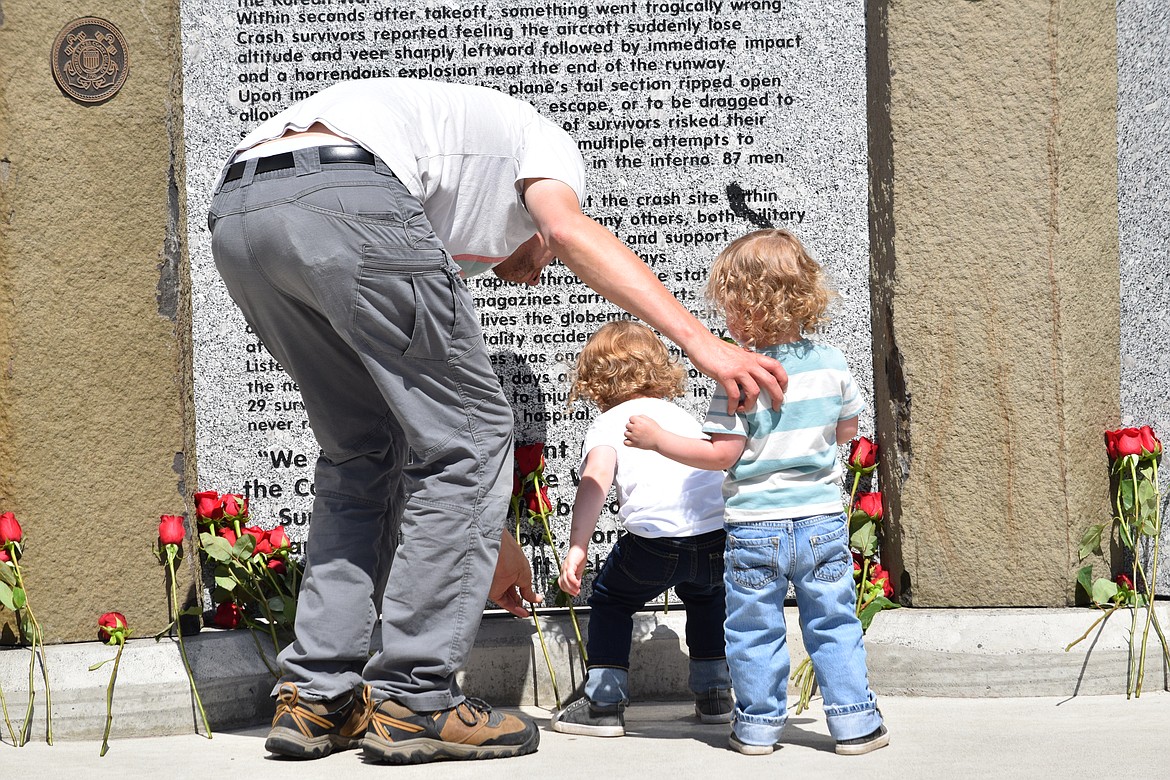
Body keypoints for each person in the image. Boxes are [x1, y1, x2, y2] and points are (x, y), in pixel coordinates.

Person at [206, 78, 788, 765]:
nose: (536, 274)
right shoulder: (544, 143)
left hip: (241, 212)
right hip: (350, 192)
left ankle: (317, 698)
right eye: (542, 256)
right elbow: (570, 230)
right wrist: (702, 344)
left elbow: (426, 426)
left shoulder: (438, 175)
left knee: (362, 449)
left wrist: (493, 539)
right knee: (478, 431)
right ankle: (415, 701)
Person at [623, 229, 888, 756]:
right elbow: (846, 431)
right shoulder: (832, 362)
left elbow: (722, 455)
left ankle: (758, 728)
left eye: (727, 308)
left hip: (754, 527)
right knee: (833, 619)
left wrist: (658, 441)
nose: (724, 320)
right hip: (819, 522)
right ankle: (855, 723)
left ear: (746, 306)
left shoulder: (737, 377)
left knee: (753, 628)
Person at [550, 321, 731, 737]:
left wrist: (577, 547)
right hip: (713, 539)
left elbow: (594, 482)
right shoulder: (680, 416)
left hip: (653, 544)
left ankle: (604, 704)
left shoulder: (610, 423)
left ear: (595, 378)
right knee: (707, 597)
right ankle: (715, 693)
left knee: (613, 601)